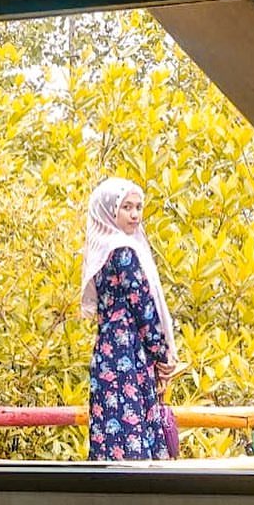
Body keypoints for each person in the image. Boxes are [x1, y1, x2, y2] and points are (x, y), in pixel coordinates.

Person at [81, 177, 179, 460]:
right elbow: (144, 309)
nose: (135, 214)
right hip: (129, 355)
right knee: (132, 441)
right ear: (110, 211)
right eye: (126, 207)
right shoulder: (124, 251)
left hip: (107, 353)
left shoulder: (101, 249)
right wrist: (162, 355)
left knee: (112, 440)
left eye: (138, 207)